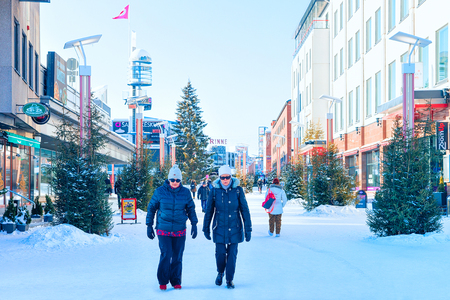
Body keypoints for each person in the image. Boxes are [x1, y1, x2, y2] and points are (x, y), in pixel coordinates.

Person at [146, 165, 198, 291]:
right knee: (166, 253)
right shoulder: (160, 192)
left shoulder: (185, 193)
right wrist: (149, 225)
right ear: (169, 180)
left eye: (177, 180)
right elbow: (151, 208)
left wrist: (194, 224)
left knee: (177, 256)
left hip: (180, 229)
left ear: (181, 181)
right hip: (163, 228)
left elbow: (191, 209)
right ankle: (163, 280)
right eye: (172, 180)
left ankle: (176, 280)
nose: (175, 183)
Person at [203, 165, 252, 289]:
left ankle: (229, 279)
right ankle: (220, 272)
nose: (225, 179)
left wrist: (248, 229)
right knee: (220, 254)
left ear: (231, 177)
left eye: (227, 177)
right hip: (219, 227)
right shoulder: (214, 191)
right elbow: (209, 211)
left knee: (232, 255)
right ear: (219, 178)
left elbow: (244, 210)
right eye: (223, 177)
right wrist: (206, 228)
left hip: (235, 227)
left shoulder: (237, 190)